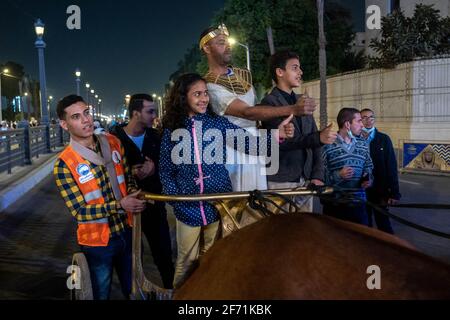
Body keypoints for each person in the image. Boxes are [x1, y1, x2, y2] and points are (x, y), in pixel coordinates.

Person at [159, 73, 294, 288]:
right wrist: (177, 201)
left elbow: (251, 144)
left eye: (205, 94)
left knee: (211, 258)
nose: (204, 99)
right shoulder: (172, 130)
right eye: (197, 94)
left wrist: (277, 135)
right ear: (183, 98)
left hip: (218, 203)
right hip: (188, 206)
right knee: (185, 261)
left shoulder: (218, 124)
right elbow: (166, 170)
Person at [199, 24, 316, 192]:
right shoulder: (208, 85)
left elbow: (256, 111)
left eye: (227, 42)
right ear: (207, 48)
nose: (228, 46)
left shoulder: (244, 74)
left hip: (256, 146)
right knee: (236, 202)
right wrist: (293, 109)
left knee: (258, 201)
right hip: (231, 148)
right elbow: (247, 112)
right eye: (220, 42)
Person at [53, 95, 146, 300]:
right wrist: (120, 204)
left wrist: (133, 193)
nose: (86, 120)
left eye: (86, 112)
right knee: (100, 294)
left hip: (127, 231)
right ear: (64, 124)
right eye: (76, 117)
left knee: (134, 291)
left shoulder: (112, 142)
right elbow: (79, 211)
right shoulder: (64, 164)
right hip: (97, 243)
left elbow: (127, 178)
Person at [109, 94, 175, 289]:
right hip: (125, 210)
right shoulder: (113, 139)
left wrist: (155, 168)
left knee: (163, 254)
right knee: (129, 257)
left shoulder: (158, 137)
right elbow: (107, 171)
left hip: (154, 205)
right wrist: (131, 172)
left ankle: (171, 292)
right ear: (136, 113)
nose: (155, 116)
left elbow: (171, 167)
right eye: (150, 111)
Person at [261, 50, 337, 212]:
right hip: (280, 179)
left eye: (299, 68)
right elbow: (280, 142)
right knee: (280, 231)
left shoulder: (302, 101)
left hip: (305, 179)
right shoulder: (269, 102)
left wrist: (317, 174)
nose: (300, 72)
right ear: (280, 72)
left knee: (304, 231)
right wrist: (318, 137)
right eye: (295, 68)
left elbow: (317, 142)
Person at [322, 108, 373, 225]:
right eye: (359, 121)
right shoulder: (327, 146)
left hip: (359, 205)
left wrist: (368, 179)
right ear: (347, 124)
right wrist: (338, 175)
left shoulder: (363, 145)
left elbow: (368, 166)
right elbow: (319, 176)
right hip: (334, 207)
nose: (362, 125)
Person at [360, 108, 400, 234]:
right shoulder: (355, 139)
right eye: (364, 117)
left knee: (384, 224)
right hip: (361, 190)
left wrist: (394, 192)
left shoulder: (384, 139)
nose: (368, 120)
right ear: (360, 120)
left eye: (371, 117)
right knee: (365, 225)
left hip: (380, 191)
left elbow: (391, 167)